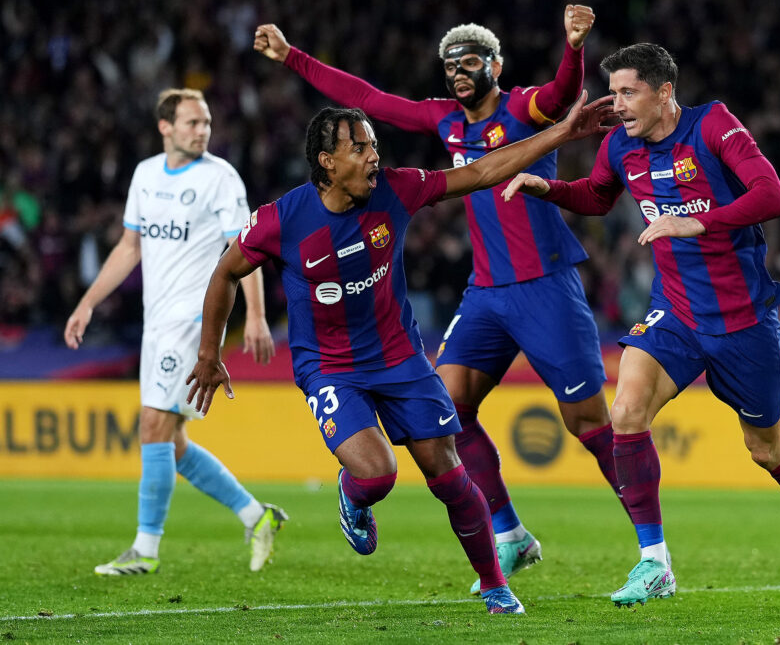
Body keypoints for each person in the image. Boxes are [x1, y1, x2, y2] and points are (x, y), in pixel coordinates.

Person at [185, 95, 614, 614]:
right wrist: (210, 353)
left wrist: (564, 134)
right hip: (330, 369)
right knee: (378, 474)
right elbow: (225, 271)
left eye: (374, 145)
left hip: (401, 360)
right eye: (360, 148)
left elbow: (483, 170)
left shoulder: (396, 189)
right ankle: (353, 494)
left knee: (450, 474)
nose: (374, 157)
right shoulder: (282, 220)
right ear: (327, 162)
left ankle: (496, 584)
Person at [253, 6, 625, 594]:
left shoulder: (522, 107)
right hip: (485, 293)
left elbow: (562, 94)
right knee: (452, 409)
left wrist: (574, 46)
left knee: (588, 423)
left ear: (495, 66)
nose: (457, 70)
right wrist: (292, 56)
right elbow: (367, 99)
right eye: (449, 62)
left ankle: (651, 549)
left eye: (470, 60)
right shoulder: (445, 121)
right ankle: (508, 533)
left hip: (545, 285)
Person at [502, 43, 780, 607]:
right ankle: (653, 561)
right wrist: (549, 189)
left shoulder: (712, 125)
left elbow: (773, 196)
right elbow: (595, 197)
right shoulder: (619, 145)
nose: (616, 105)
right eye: (612, 93)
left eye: (627, 92)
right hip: (676, 313)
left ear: (664, 92)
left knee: (764, 447)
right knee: (626, 409)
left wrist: (698, 223)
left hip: (741, 319)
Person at [64, 88, 287, 576]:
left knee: (152, 425)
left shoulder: (221, 177)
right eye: (191, 123)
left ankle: (145, 550)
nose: (201, 130)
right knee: (173, 442)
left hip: (195, 319)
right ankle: (259, 515)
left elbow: (245, 249)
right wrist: (87, 303)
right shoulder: (145, 174)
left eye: (205, 122)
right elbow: (129, 246)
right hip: (157, 321)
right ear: (165, 127)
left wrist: (254, 314)